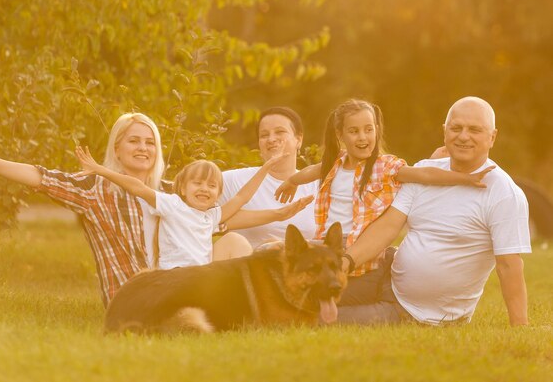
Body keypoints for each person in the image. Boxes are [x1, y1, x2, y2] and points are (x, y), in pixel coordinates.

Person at [275, 99, 493, 305]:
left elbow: (425, 174)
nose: (363, 137)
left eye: (369, 129)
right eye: (354, 131)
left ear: (376, 130)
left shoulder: (385, 167)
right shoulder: (336, 162)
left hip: (361, 253)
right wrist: (292, 181)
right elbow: (314, 171)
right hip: (327, 248)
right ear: (340, 134)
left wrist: (464, 178)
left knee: (318, 299)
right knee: (285, 273)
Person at [336, 97, 530, 326]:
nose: (463, 136)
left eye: (474, 130)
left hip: (414, 313)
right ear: (445, 132)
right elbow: (388, 226)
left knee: (319, 318)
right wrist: (347, 261)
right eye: (456, 128)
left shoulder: (503, 193)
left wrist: (520, 326)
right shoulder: (425, 171)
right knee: (312, 292)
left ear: (492, 137)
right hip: (385, 274)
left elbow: (509, 265)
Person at [0, 113, 161, 305]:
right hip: (130, 301)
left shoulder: (171, 193)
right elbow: (41, 177)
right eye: (134, 141)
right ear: (117, 149)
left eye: (150, 143)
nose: (143, 148)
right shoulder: (96, 190)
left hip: (171, 291)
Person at [75, 146, 313, 270]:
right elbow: (137, 187)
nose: (204, 189)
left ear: (217, 195)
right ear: (182, 188)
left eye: (211, 186)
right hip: (176, 275)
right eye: (197, 183)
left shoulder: (211, 216)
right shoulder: (172, 204)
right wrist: (100, 169)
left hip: (203, 276)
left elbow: (241, 197)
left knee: (234, 240)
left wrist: (266, 168)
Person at [219, 107, 318, 248]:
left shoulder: (317, 185)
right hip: (247, 266)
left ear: (299, 140)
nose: (271, 139)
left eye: (280, 132)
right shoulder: (233, 180)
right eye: (264, 135)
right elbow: (202, 218)